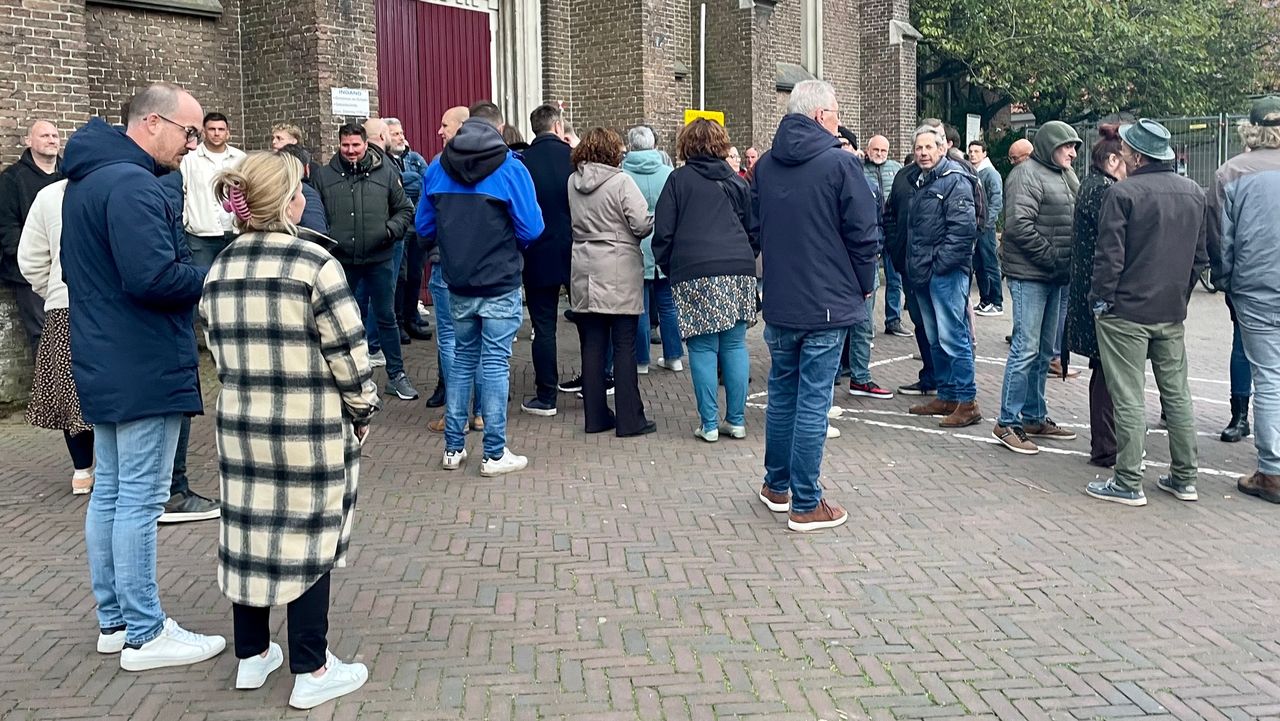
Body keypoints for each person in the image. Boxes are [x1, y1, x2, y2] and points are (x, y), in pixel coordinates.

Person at [200, 151, 379, 709]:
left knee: (249, 531)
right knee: (308, 540)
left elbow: (213, 344)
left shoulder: (220, 266)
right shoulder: (313, 264)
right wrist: (362, 411)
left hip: (242, 423)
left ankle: (252, 656)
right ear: (290, 201)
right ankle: (312, 666)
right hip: (307, 425)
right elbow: (350, 354)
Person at [61, 82, 226, 670]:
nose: (192, 143)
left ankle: (114, 621)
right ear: (153, 123)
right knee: (140, 497)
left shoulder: (86, 180)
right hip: (142, 359)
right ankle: (145, 632)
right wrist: (211, 275)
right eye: (187, 131)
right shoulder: (131, 183)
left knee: (110, 492)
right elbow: (151, 277)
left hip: (105, 356)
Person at [752, 80, 878, 532]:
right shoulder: (842, 163)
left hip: (783, 299)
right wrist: (864, 286)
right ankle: (807, 502)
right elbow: (864, 234)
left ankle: (777, 485)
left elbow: (756, 225)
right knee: (813, 400)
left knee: (783, 393)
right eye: (837, 114)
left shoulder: (765, 165)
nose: (839, 122)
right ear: (823, 115)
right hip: (827, 300)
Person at [1086, 119, 1208, 507]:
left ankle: (1127, 480)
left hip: (1126, 311)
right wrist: (1180, 296)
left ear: (1137, 156)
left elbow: (1110, 257)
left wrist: (1100, 301)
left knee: (1128, 396)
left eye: (1124, 151)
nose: (1119, 156)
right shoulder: (1193, 192)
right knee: (1177, 396)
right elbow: (1200, 258)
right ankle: (1185, 477)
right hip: (1170, 311)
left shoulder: (1123, 194)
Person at [417, 115, 544, 474]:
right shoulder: (509, 167)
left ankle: (453, 449)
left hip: (458, 279)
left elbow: (423, 226)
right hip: (499, 278)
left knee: (461, 360)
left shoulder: (437, 168)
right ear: (497, 132)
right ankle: (494, 452)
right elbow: (532, 227)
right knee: (494, 363)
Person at [652, 119, 758, 441]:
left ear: (687, 145)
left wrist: (671, 267)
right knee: (735, 344)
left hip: (694, 269)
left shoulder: (678, 180)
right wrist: (745, 257)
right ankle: (736, 420)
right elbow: (753, 230)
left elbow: (664, 232)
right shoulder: (737, 181)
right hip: (738, 267)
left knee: (702, 347)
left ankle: (709, 424)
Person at [991, 121, 1081, 454]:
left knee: (1044, 351)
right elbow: (1018, 227)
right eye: (1066, 146)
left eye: (1074, 147)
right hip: (1032, 275)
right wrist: (1055, 258)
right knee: (1025, 348)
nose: (1072, 152)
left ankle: (1034, 415)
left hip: (1056, 276)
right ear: (1049, 146)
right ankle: (1007, 422)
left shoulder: (1065, 174)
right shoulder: (1025, 175)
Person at [313, 123, 418, 401]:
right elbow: (316, 214)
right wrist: (328, 240)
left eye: (355, 145)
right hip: (341, 262)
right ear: (339, 144)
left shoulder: (385, 172)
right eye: (345, 145)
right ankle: (345, 378)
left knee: (386, 317)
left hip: (379, 258)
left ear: (365, 144)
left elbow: (405, 209)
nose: (351, 151)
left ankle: (396, 375)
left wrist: (389, 232)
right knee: (342, 320)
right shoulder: (324, 176)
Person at [1209, 95, 1280, 504]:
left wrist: (1225, 282)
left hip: (1255, 287)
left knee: (1268, 376)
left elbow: (1223, 241)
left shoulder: (1231, 173)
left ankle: (1271, 470)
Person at [566, 127, 656, 437]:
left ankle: (596, 417)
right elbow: (642, 224)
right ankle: (631, 419)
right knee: (624, 347)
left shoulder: (572, 182)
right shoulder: (621, 182)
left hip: (583, 267)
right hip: (618, 267)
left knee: (592, 346)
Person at [18, 178, 95, 494]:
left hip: (63, 304)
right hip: (113, 305)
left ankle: (82, 471)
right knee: (112, 384)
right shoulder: (120, 186)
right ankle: (112, 469)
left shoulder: (49, 194)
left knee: (69, 389)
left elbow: (31, 259)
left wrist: (51, 288)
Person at [904, 125, 982, 428]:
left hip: (944, 273)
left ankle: (967, 401)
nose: (923, 152)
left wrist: (939, 265)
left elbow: (963, 231)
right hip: (924, 272)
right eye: (919, 147)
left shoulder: (955, 180)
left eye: (928, 147)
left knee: (954, 337)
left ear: (941, 148)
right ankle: (948, 395)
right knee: (936, 338)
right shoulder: (921, 180)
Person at [1064, 125, 1126, 468]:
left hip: (1093, 290)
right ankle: (1106, 445)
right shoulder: (1103, 190)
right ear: (1113, 160)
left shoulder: (1095, 185)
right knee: (1106, 370)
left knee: (1105, 369)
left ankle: (1107, 443)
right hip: (1098, 292)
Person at [518, 103, 576, 417]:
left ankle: (546, 395)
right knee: (588, 322)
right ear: (558, 127)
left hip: (537, 251)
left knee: (544, 326)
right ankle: (593, 385)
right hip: (575, 250)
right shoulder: (574, 159)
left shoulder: (523, 162)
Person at [622, 125, 683, 374]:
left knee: (641, 307)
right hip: (665, 245)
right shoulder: (669, 173)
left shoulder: (622, 173)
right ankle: (675, 356)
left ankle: (641, 361)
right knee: (668, 305)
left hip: (635, 246)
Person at [0, 119, 63, 352]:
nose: (51, 140)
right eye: (44, 136)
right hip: (29, 273)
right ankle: (49, 388)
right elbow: (7, 227)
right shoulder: (12, 179)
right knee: (44, 335)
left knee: (72, 333)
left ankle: (70, 387)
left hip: (66, 269)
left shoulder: (70, 176)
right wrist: (26, 257)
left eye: (55, 136)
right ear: (28, 141)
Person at [425, 105, 471, 410]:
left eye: (445, 125)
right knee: (480, 343)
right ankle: (479, 413)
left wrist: (428, 245)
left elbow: (424, 223)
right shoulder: (500, 162)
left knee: (450, 340)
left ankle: (455, 414)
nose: (440, 131)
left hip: (445, 264)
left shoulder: (438, 166)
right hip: (485, 266)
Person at [386, 117, 433, 341]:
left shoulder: (415, 158)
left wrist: (407, 181)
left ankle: (411, 316)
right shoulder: (385, 160)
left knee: (415, 274)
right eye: (395, 133)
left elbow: (426, 181)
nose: (401, 137)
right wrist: (405, 181)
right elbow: (395, 186)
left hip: (418, 223)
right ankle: (398, 321)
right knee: (400, 276)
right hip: (400, 225)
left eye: (401, 132)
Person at [180, 112, 245, 267]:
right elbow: (182, 191)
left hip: (235, 232)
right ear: (203, 131)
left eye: (221, 129)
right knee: (202, 282)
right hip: (201, 236)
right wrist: (185, 222)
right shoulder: (190, 158)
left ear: (227, 132)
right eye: (212, 129)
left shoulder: (240, 158)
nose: (217, 133)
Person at [864, 134, 909, 337]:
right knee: (870, 281)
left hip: (893, 230)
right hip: (871, 231)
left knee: (895, 278)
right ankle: (868, 323)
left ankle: (893, 320)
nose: (879, 154)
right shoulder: (860, 169)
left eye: (883, 151)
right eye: (876, 150)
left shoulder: (896, 169)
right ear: (868, 150)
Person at [967, 139, 1005, 316]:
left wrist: (988, 223)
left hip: (985, 228)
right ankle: (985, 300)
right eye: (971, 151)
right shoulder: (973, 171)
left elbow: (996, 200)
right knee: (979, 264)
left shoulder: (990, 174)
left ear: (984, 154)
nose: (973, 154)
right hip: (976, 226)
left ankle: (996, 301)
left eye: (976, 151)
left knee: (990, 263)